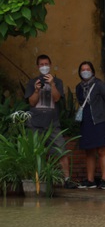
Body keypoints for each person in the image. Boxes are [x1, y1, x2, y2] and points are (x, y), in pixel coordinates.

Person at [24, 54, 77, 189]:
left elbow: (57, 98)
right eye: (41, 65)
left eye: (46, 64)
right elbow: (31, 102)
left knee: (61, 150)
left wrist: (52, 84)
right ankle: (36, 180)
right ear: (37, 67)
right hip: (35, 123)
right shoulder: (32, 82)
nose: (44, 67)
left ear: (50, 64)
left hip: (53, 123)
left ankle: (67, 179)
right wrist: (36, 90)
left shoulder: (57, 81)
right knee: (36, 152)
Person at [75, 61, 105, 190]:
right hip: (86, 121)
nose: (85, 71)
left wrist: (101, 114)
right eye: (83, 69)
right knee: (89, 151)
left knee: (102, 149)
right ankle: (90, 180)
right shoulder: (78, 87)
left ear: (92, 71)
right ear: (80, 72)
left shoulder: (99, 85)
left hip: (99, 121)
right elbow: (81, 101)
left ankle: (104, 180)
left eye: (88, 69)